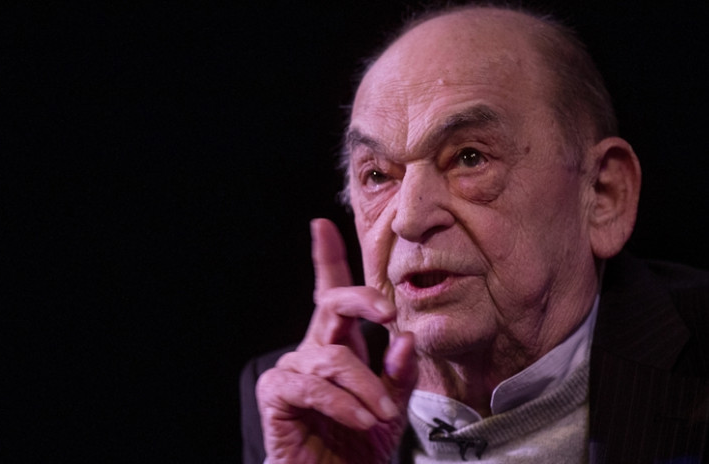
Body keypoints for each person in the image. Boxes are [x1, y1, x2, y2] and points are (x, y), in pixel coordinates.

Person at [241, 4, 709, 463]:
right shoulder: (307, 405)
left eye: (469, 158)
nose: (409, 219)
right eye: (378, 176)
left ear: (603, 196)